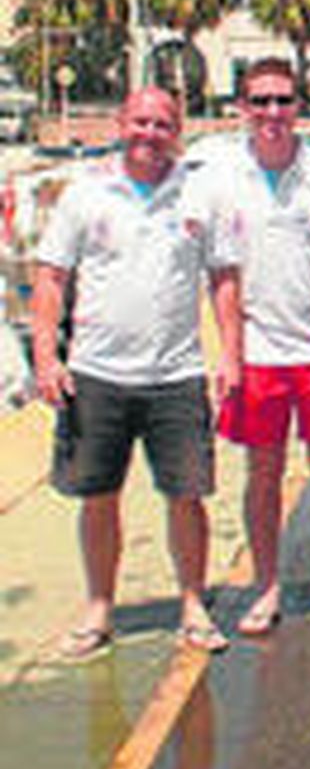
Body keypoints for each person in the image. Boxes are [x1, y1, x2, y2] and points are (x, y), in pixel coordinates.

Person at [32, 86, 242, 659]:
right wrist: (46, 359)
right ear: (121, 123)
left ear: (178, 129)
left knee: (187, 494)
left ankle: (194, 605)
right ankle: (100, 607)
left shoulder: (200, 193)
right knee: (99, 495)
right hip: (97, 375)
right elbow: (50, 278)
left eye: (163, 123)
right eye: (141, 121)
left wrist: (230, 355)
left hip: (177, 375)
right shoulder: (85, 193)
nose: (150, 132)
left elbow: (224, 278)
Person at [200, 58, 310, 636]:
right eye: (261, 101)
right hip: (257, 352)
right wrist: (227, 353)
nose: (273, 112)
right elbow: (216, 271)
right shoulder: (221, 178)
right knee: (263, 473)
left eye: (283, 100)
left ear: (300, 105)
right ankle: (267, 584)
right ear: (243, 108)